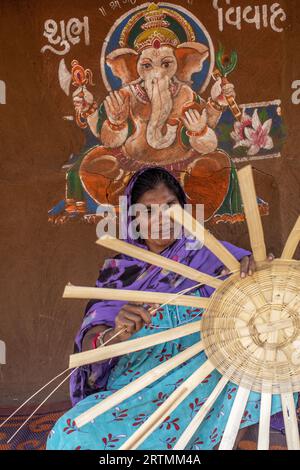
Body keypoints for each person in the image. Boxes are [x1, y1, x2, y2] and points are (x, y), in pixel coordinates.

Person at [46, 166, 281, 450]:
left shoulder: (215, 255)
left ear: (185, 210)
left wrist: (257, 279)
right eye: (147, 210)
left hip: (207, 388)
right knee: (71, 433)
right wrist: (114, 335)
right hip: (136, 393)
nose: (161, 219)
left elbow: (272, 310)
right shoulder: (120, 271)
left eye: (170, 207)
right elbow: (91, 342)